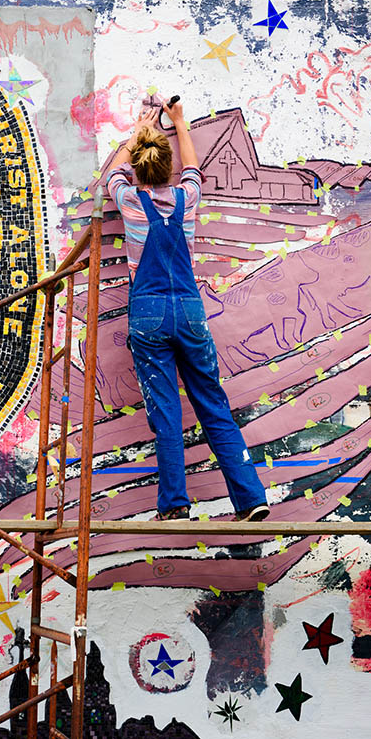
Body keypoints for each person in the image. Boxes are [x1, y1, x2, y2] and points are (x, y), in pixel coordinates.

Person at [99, 93, 270, 522]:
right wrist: (179, 120)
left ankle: (175, 505)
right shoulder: (186, 198)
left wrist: (142, 124)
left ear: (139, 168)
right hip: (190, 312)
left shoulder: (129, 200)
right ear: (168, 170)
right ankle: (251, 498)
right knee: (212, 403)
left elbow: (114, 173)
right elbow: (194, 169)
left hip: (149, 314)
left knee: (167, 413)